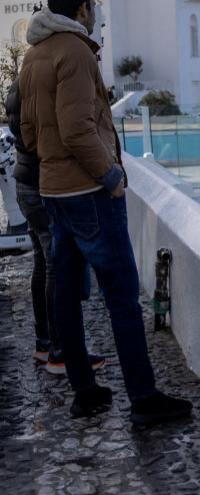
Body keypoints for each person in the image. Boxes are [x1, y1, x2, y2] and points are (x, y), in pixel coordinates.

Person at [19, 1, 192, 424]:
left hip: (53, 191)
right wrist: (111, 175)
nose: (96, 11)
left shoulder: (35, 53)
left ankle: (85, 391)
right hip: (88, 191)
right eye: (93, 5)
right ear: (82, 9)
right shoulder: (74, 51)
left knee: (66, 292)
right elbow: (77, 126)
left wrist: (54, 166)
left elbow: (26, 130)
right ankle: (144, 398)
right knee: (121, 296)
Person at [6, 77, 105, 375]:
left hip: (25, 182)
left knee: (43, 261)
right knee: (56, 265)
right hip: (40, 183)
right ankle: (61, 353)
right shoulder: (41, 83)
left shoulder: (21, 81)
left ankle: (45, 343)